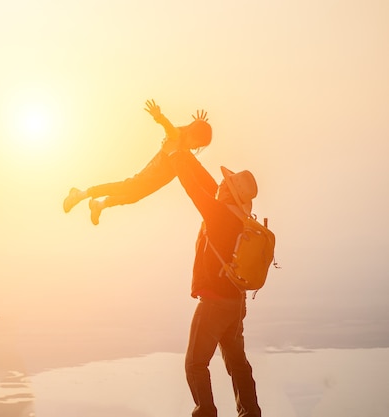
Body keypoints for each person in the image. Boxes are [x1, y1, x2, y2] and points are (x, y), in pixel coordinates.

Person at [162, 136, 262, 416]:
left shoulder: (219, 214)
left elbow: (195, 189)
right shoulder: (242, 221)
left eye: (224, 185)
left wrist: (174, 157)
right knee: (237, 362)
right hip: (236, 304)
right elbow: (203, 182)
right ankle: (250, 412)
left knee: (195, 363)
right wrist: (184, 154)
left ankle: (205, 411)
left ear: (229, 192)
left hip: (215, 304)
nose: (220, 186)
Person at [63, 100, 212, 225]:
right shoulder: (177, 137)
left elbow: (194, 135)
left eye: (199, 146)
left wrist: (199, 122)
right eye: (197, 142)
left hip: (154, 184)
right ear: (192, 134)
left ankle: (99, 205)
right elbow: (169, 127)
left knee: (132, 197)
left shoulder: (186, 152)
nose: (196, 147)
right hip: (148, 176)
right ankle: (79, 194)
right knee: (123, 188)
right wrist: (159, 116)